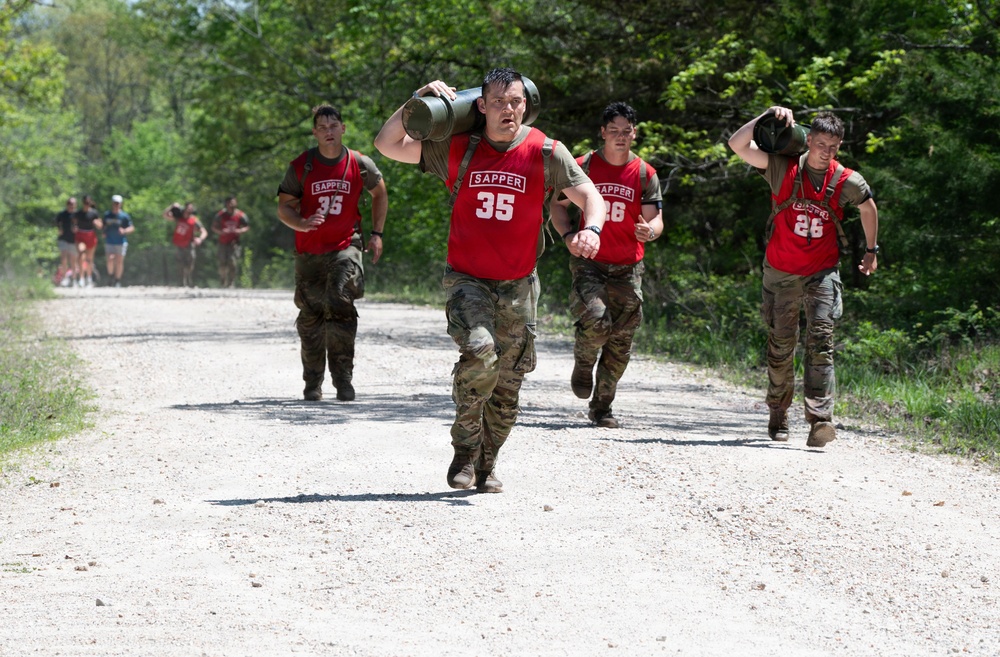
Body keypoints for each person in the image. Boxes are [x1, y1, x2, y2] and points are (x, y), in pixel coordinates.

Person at [374, 67, 605, 493]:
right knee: (480, 353)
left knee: (507, 387)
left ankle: (487, 462)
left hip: (518, 285)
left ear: (525, 105)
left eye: (515, 101)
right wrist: (416, 98)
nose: (508, 110)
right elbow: (387, 144)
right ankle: (463, 449)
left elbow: (589, 194)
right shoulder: (457, 148)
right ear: (480, 106)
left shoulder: (545, 152)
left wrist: (591, 229)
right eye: (498, 102)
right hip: (468, 279)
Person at [728, 106, 879, 448]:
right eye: (822, 144)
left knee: (821, 343)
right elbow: (737, 144)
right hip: (781, 274)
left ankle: (820, 420)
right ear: (808, 139)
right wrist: (767, 114)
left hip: (821, 273)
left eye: (834, 146)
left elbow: (869, 206)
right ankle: (778, 412)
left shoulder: (845, 180)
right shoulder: (782, 167)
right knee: (781, 348)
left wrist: (871, 250)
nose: (827, 152)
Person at [549, 102, 664, 429]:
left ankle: (602, 408)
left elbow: (656, 220)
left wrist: (649, 232)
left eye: (625, 131)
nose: (619, 137)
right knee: (597, 322)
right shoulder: (583, 165)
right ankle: (583, 363)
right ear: (602, 132)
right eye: (613, 130)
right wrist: (568, 234)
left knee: (620, 343)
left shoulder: (645, 173)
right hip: (590, 262)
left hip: (629, 268)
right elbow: (556, 207)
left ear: (634, 133)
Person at [276, 104, 388, 404]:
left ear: (343, 129)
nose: (328, 132)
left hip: (345, 246)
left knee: (340, 303)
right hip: (309, 251)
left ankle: (343, 380)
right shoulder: (302, 166)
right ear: (315, 132)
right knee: (311, 317)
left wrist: (376, 235)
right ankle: (312, 383)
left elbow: (379, 193)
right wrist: (301, 222)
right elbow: (284, 205)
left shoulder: (359, 163)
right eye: (322, 127)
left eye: (333, 126)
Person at [163, 202, 208, 287]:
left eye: (191, 208)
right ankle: (181, 283)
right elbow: (165, 215)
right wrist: (172, 206)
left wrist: (200, 239)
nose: (189, 210)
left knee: (190, 263)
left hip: (189, 244)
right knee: (180, 264)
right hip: (179, 244)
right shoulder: (178, 218)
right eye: (188, 208)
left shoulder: (194, 220)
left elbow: (204, 231)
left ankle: (189, 280)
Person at [212, 196, 250, 288]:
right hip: (222, 242)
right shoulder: (220, 215)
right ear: (226, 204)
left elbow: (247, 226)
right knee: (222, 263)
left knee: (232, 262)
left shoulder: (241, 215)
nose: (231, 204)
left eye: (233, 202)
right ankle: (222, 280)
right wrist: (221, 232)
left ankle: (231, 282)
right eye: (229, 203)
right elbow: (213, 227)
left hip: (234, 243)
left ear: (236, 203)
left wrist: (240, 231)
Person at [102, 194, 134, 287]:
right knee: (110, 260)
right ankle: (111, 276)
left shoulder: (124, 216)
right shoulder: (107, 215)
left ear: (121, 204)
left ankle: (117, 280)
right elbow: (104, 226)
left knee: (119, 261)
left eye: (118, 203)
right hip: (109, 241)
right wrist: (103, 231)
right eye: (114, 203)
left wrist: (124, 230)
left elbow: (131, 227)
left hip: (121, 242)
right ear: (112, 203)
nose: (116, 205)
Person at [73, 195, 102, 288]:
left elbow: (100, 225)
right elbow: (73, 224)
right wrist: (74, 228)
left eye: (88, 203)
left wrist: (96, 223)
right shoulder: (78, 213)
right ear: (83, 203)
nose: (87, 205)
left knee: (89, 259)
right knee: (81, 255)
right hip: (81, 235)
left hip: (90, 235)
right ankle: (81, 278)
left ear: (90, 203)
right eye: (85, 203)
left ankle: (89, 278)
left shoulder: (94, 213)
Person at [55, 197, 78, 287]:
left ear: (75, 205)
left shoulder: (78, 215)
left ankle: (74, 279)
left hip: (74, 240)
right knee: (64, 259)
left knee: (73, 261)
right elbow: (56, 222)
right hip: (63, 239)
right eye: (69, 203)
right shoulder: (62, 214)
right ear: (67, 204)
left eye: (72, 204)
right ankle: (64, 278)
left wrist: (77, 229)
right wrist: (59, 229)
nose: (71, 206)